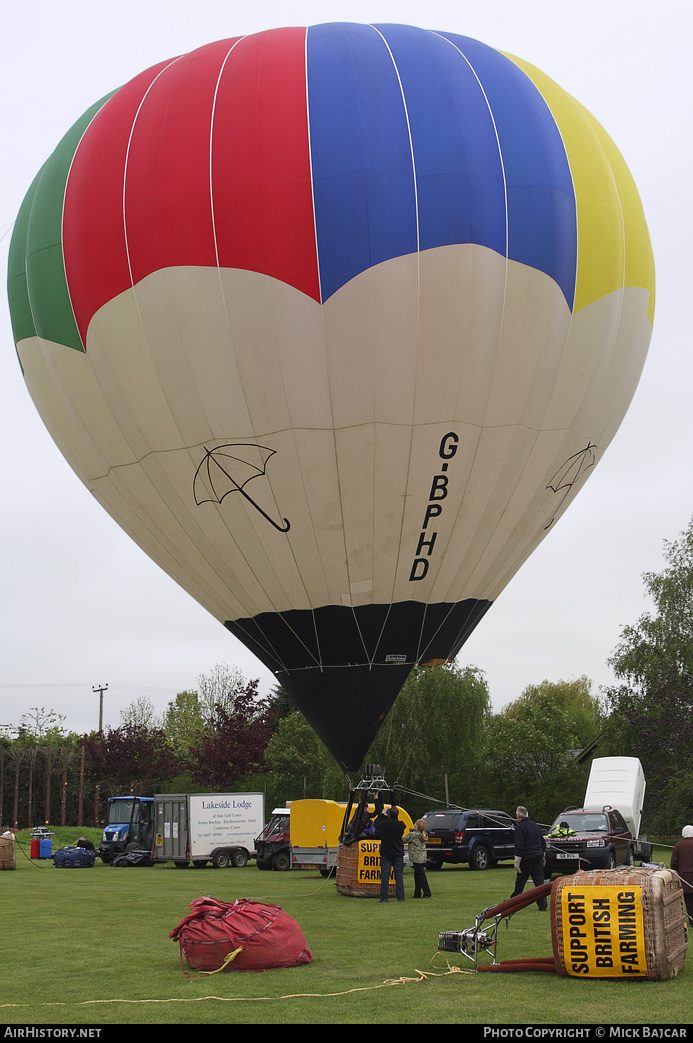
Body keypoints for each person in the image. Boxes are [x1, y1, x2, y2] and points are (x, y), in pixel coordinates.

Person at [510, 805, 548, 910]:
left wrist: (517, 861)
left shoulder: (520, 828)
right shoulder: (535, 826)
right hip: (538, 858)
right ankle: (543, 905)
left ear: (518, 816)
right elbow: (542, 843)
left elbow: (519, 846)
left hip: (527, 859)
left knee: (520, 883)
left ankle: (512, 903)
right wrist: (543, 856)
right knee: (539, 883)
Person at [374, 804, 406, 902]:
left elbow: (376, 824)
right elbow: (400, 824)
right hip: (398, 852)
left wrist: (382, 815)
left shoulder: (385, 824)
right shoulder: (401, 825)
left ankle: (384, 897)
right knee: (399, 875)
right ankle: (400, 896)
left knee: (385, 875)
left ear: (388, 815)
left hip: (386, 852)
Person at [403, 819, 431, 898]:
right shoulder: (424, 834)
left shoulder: (413, 835)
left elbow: (403, 840)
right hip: (422, 857)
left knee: (421, 876)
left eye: (415, 823)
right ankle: (417, 893)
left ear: (417, 826)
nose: (414, 824)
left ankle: (427, 893)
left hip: (416, 857)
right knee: (417, 875)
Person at [670, 824, 693, 924]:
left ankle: (692, 920)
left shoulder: (678, 846)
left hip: (685, 878)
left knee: (689, 900)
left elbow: (674, 863)